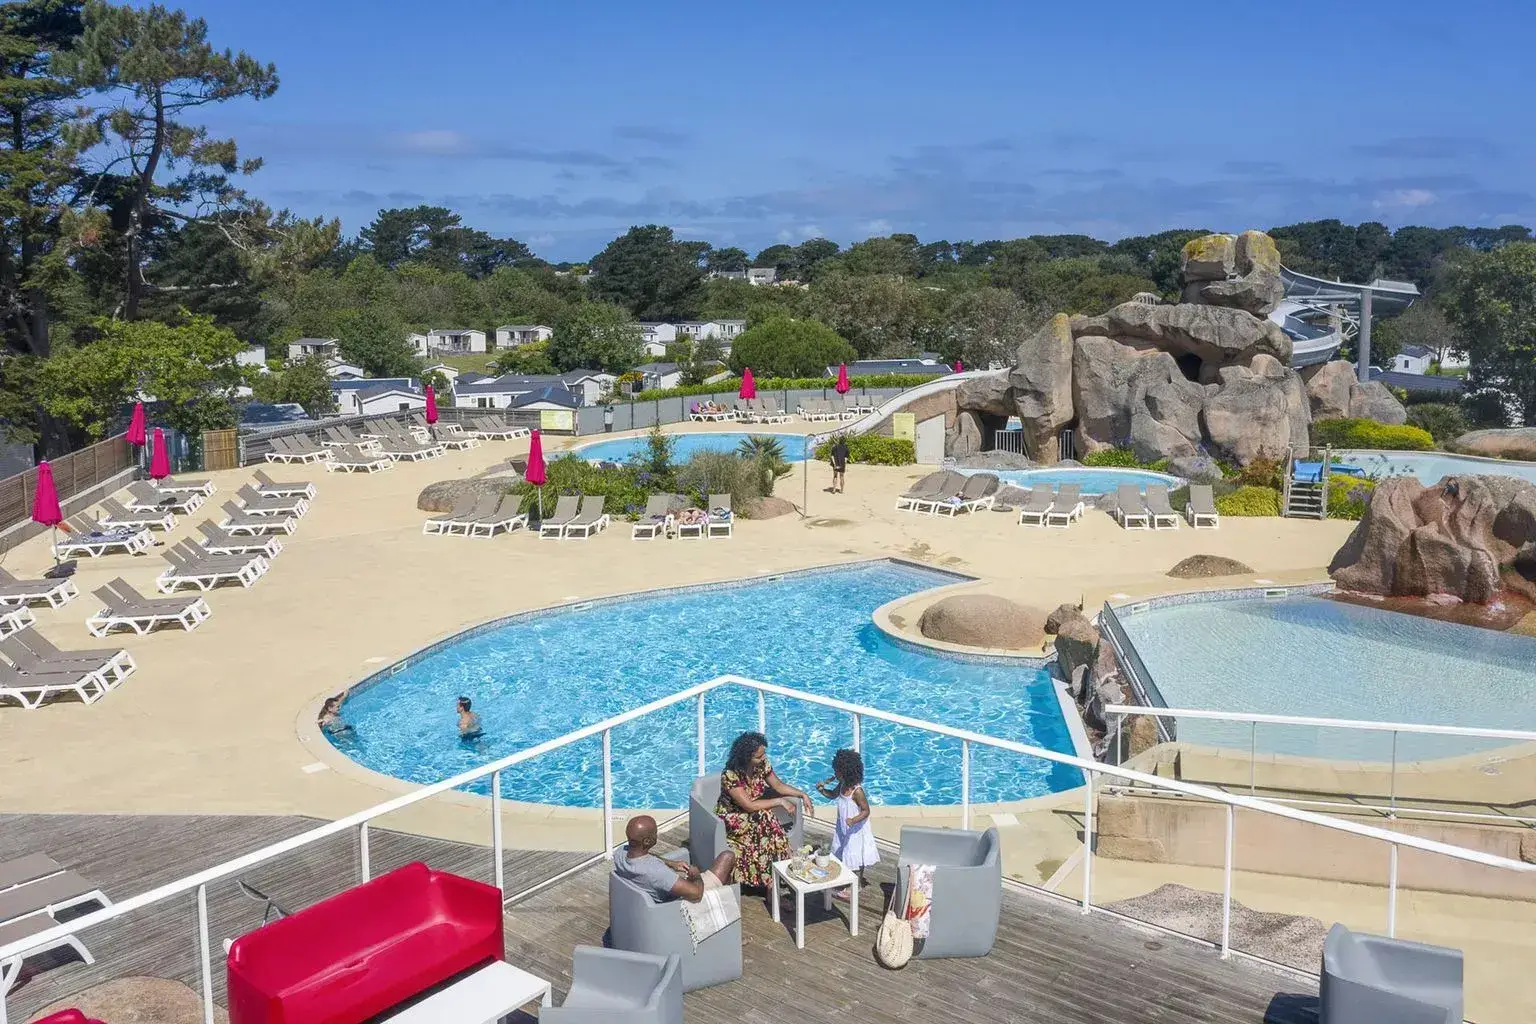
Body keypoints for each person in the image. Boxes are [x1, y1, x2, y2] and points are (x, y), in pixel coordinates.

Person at [715, 731, 813, 889]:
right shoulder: (730, 775)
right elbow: (748, 805)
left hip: (755, 814)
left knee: (765, 821)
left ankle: (775, 879)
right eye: (759, 756)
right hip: (734, 817)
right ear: (746, 757)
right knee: (766, 818)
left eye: (764, 754)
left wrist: (802, 794)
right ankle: (783, 869)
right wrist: (779, 801)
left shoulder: (762, 765)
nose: (764, 758)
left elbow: (778, 786)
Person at [612, 814, 735, 903]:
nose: (656, 834)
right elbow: (696, 894)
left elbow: (646, 858)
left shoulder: (620, 853)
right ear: (647, 841)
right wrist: (696, 876)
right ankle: (722, 904)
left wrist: (671, 863)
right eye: (655, 832)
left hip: (659, 893)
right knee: (728, 857)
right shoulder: (658, 873)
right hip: (681, 902)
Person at [815, 748, 878, 899]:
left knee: (855, 853)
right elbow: (832, 795)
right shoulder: (842, 785)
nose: (835, 774)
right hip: (843, 827)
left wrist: (853, 820)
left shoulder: (857, 791)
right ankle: (847, 878)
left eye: (836, 771)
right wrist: (822, 790)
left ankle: (857, 885)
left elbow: (866, 810)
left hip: (855, 829)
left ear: (845, 771)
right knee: (842, 850)